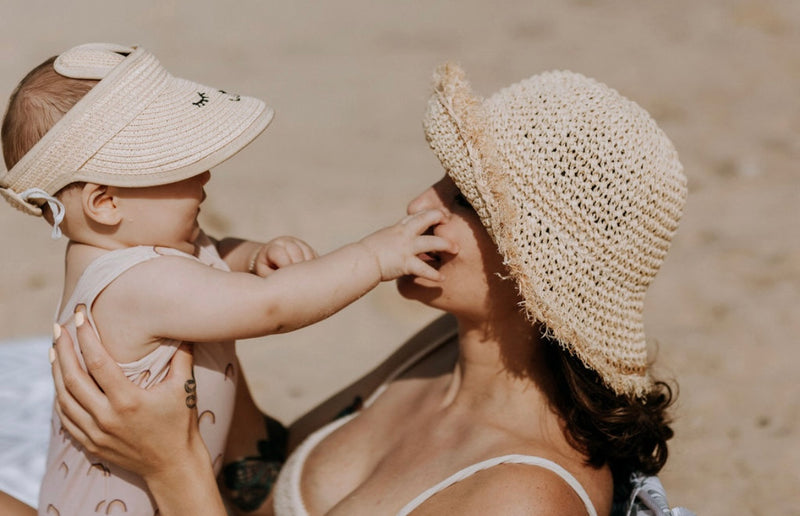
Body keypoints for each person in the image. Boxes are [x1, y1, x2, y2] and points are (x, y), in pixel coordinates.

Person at [48, 63, 688, 515]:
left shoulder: (523, 498)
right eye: (441, 178)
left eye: (462, 199)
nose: (419, 203)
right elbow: (260, 490)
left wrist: (170, 464)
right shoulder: (444, 350)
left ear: (538, 267)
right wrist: (207, 337)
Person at [0, 43, 455, 516]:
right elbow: (271, 308)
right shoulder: (135, 286)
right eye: (178, 165)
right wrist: (375, 256)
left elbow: (208, 258)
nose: (205, 174)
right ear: (105, 202)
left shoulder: (135, 250)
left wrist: (254, 256)